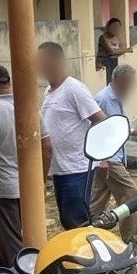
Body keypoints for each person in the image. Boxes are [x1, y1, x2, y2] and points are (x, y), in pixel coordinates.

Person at [0, 64, 52, 268]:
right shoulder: (28, 107)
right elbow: (47, 147)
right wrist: (41, 180)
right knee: (18, 243)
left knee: (12, 248)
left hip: (0, 190)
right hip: (28, 188)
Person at [37, 41, 106, 229]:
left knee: (77, 222)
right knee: (68, 221)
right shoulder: (48, 92)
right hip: (60, 169)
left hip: (77, 169)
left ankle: (86, 256)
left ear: (56, 60)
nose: (39, 66)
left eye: (42, 61)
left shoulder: (74, 89)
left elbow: (101, 120)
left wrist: (102, 156)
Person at [91, 64, 137, 244]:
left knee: (98, 199)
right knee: (131, 194)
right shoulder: (103, 99)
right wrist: (102, 158)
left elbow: (113, 127)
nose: (129, 88)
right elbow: (94, 129)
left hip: (114, 156)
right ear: (117, 80)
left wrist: (131, 131)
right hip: (108, 158)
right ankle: (130, 238)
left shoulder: (117, 98)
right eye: (127, 83)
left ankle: (86, 231)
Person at [96, 18, 131, 84]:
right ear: (109, 26)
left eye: (117, 27)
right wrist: (126, 50)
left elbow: (123, 47)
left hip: (114, 63)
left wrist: (124, 50)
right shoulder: (103, 37)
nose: (115, 29)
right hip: (104, 63)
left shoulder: (117, 37)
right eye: (113, 26)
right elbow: (111, 52)